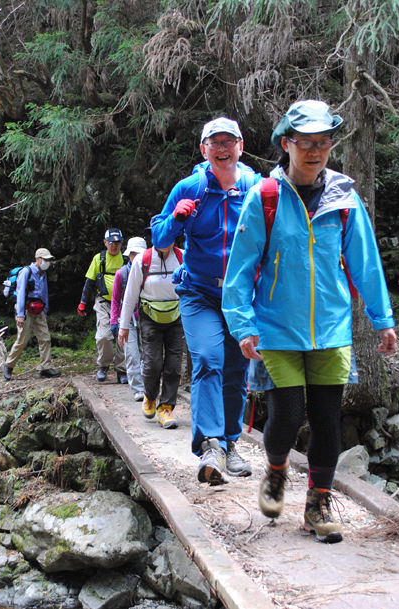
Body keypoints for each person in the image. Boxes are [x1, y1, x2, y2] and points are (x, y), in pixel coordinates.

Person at [222, 100, 398, 543]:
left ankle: (317, 503)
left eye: (324, 142)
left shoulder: (344, 198)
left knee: (326, 418)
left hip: (333, 329)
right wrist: (243, 326)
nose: (316, 151)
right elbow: (239, 272)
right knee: (286, 415)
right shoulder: (265, 197)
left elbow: (365, 262)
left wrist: (383, 320)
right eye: (307, 143)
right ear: (288, 144)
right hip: (277, 329)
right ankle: (277, 468)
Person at [150, 117, 260, 484]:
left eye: (230, 141)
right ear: (204, 149)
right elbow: (161, 240)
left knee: (236, 371)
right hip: (198, 293)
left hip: (240, 296)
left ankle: (230, 444)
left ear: (240, 147)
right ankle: (209, 445)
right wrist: (177, 219)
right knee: (208, 360)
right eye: (215, 142)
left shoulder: (257, 188)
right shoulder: (190, 187)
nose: (223, 147)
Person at [118, 242, 185, 429]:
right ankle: (150, 396)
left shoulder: (182, 257)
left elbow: (193, 287)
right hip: (149, 317)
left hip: (177, 316)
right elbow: (130, 295)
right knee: (152, 363)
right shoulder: (143, 260)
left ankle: (166, 408)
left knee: (173, 365)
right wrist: (123, 326)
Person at [4, 248, 62, 380]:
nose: (47, 262)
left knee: (45, 338)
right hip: (25, 309)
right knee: (22, 340)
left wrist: (45, 310)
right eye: (45, 259)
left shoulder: (43, 274)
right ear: (38, 259)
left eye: (48, 260)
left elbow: (44, 292)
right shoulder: (26, 272)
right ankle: (8, 366)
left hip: (39, 309)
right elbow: (20, 294)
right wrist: (20, 315)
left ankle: (45, 368)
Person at [78, 228, 127, 383]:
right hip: (103, 302)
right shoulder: (99, 259)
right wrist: (82, 303)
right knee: (104, 336)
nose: (115, 246)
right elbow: (89, 281)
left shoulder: (125, 259)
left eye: (118, 243)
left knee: (123, 335)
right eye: (112, 243)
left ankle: (122, 369)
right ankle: (103, 366)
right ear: (105, 242)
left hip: (122, 303)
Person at [111, 237, 147, 401]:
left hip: (148, 317)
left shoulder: (150, 271)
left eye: (138, 254)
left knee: (148, 354)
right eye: (133, 254)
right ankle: (137, 388)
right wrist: (114, 321)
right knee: (132, 354)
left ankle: (148, 386)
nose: (136, 257)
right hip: (128, 319)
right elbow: (115, 299)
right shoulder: (122, 274)